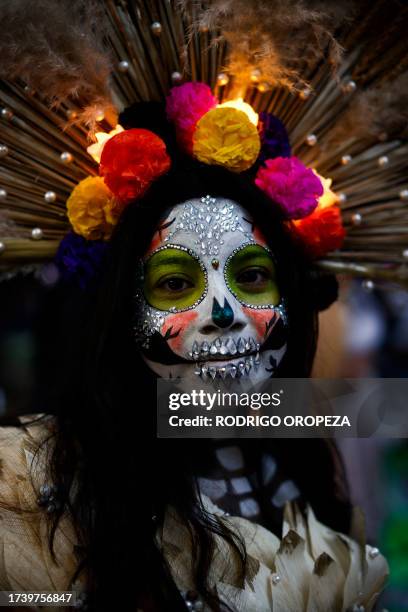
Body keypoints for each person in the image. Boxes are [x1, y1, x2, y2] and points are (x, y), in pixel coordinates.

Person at [0, 157, 388, 610]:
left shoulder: (302, 434)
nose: (224, 313)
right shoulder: (31, 484)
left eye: (251, 276)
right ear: (123, 313)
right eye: (177, 283)